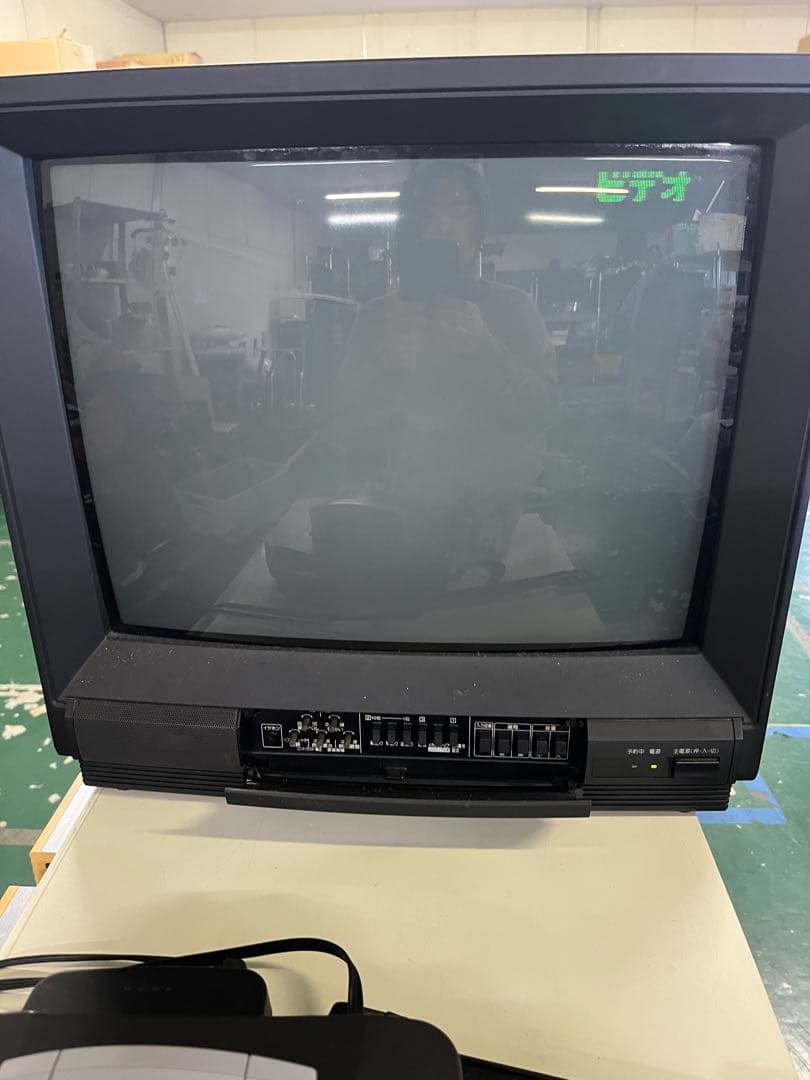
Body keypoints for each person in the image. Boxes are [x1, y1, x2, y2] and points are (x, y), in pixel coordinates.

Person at [330, 162, 557, 580]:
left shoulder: (514, 309)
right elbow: (341, 422)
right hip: (393, 504)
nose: (441, 226)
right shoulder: (378, 316)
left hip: (488, 509)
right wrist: (385, 364)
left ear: (478, 232)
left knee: (472, 594)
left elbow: (543, 412)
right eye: (427, 214)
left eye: (457, 211)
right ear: (411, 230)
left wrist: (485, 351)